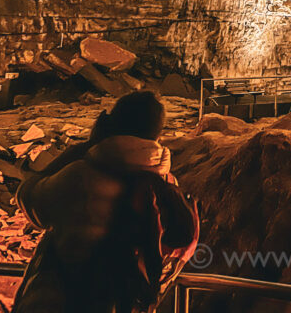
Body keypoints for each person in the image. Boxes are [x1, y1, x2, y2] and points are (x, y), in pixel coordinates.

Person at [12, 90, 199, 313]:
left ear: (113, 124)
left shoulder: (80, 176)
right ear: (157, 134)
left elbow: (28, 198)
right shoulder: (167, 186)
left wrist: (80, 150)